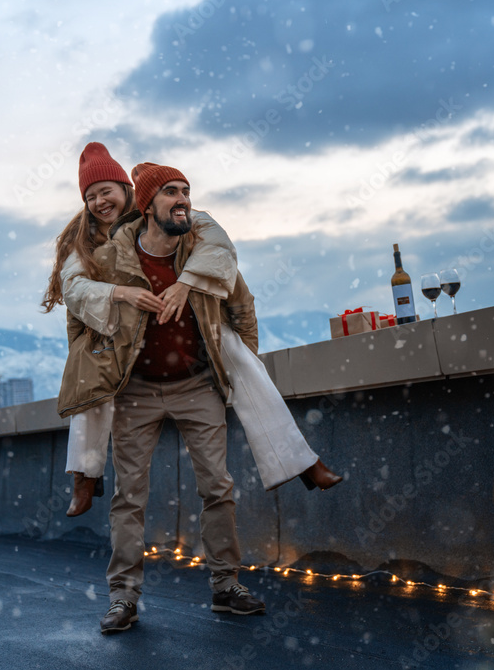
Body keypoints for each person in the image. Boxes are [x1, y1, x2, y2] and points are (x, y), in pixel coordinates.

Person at [57, 158, 339, 633]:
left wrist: (239, 364)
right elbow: (76, 307)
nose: (183, 198)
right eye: (170, 192)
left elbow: (241, 305)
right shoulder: (107, 257)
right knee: (129, 497)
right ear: (146, 206)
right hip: (136, 390)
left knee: (218, 487)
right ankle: (122, 597)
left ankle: (226, 586)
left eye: (185, 190)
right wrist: (119, 306)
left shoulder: (205, 245)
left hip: (197, 384)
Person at [43, 142, 240, 517]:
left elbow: (214, 238)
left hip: (177, 344)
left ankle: (295, 460)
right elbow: (74, 290)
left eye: (107, 191)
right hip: (111, 331)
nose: (100, 201)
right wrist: (120, 293)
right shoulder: (82, 243)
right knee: (91, 385)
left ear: (126, 191)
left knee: (240, 362)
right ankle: (85, 474)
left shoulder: (158, 213)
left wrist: (187, 281)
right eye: (91, 196)